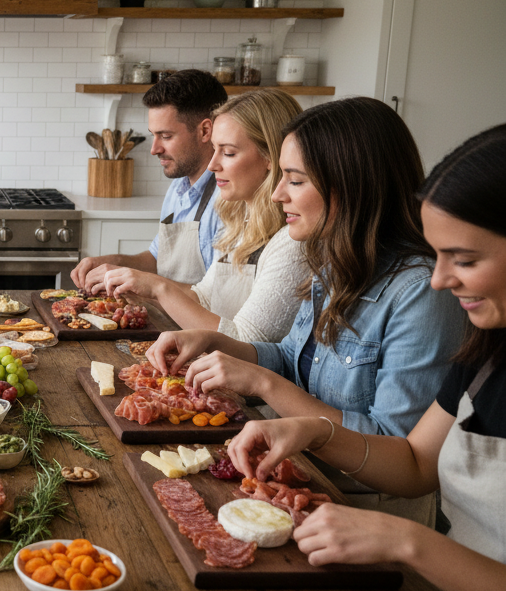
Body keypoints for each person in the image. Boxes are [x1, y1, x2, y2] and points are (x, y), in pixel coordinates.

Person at [227, 123, 506, 591]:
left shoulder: (420, 294)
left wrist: (409, 542)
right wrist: (315, 432)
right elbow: (417, 465)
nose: (441, 279)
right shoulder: (490, 349)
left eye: (464, 259)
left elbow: (400, 460)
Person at [149, 97, 465, 523]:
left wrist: (262, 382)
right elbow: (295, 362)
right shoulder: (336, 261)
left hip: (365, 516)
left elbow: (399, 455)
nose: (277, 193)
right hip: (303, 488)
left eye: (294, 181)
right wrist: (220, 344)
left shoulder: (421, 293)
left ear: (351, 187)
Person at [90, 89, 309, 342]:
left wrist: (158, 288)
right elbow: (204, 297)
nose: (213, 164)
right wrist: (141, 289)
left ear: (271, 156)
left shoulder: (291, 242)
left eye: (228, 152)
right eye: (214, 149)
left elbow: (247, 343)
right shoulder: (241, 222)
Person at [72, 70, 228, 289]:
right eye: (153, 135)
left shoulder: (228, 199)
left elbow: (219, 295)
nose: (154, 149)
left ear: (205, 131)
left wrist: (150, 285)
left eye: (166, 136)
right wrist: (112, 263)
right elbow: (157, 258)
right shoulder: (178, 187)